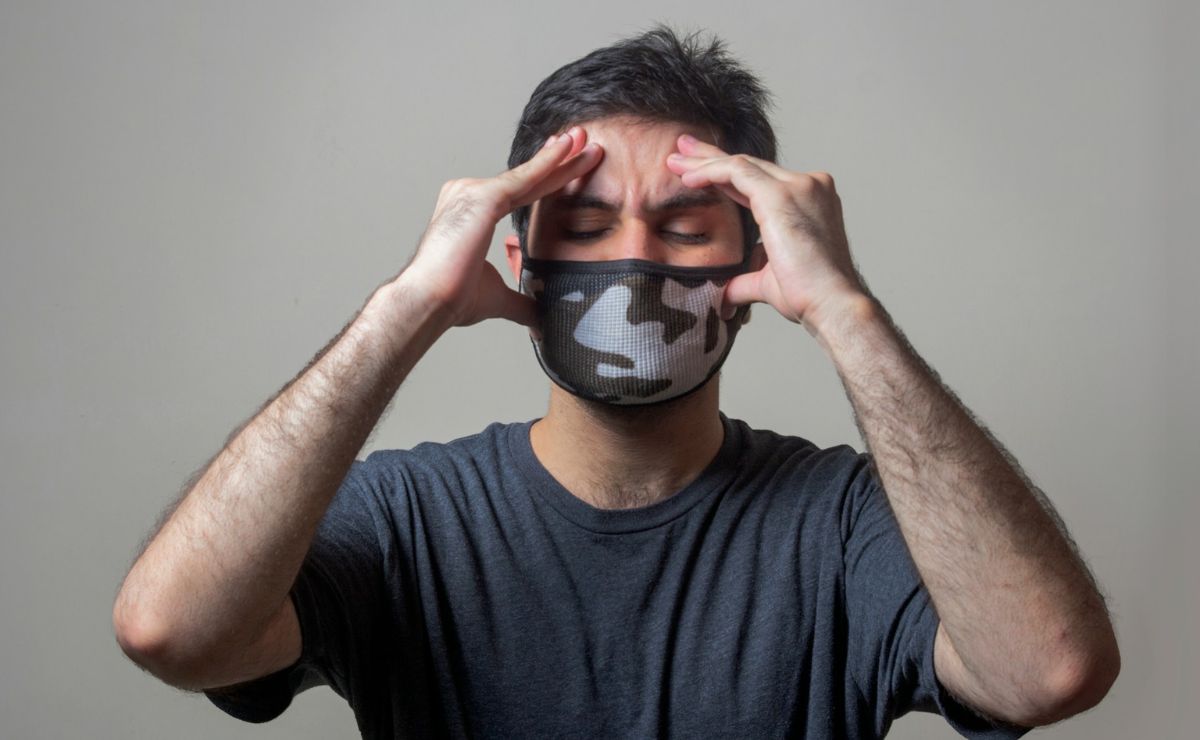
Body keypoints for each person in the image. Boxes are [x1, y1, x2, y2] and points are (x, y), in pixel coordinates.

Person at [112, 25, 1120, 739]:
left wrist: (850, 314)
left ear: (755, 265)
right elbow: (172, 631)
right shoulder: (407, 515)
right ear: (520, 263)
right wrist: (406, 306)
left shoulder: (843, 522)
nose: (634, 262)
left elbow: (1049, 671)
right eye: (588, 225)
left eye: (684, 226)